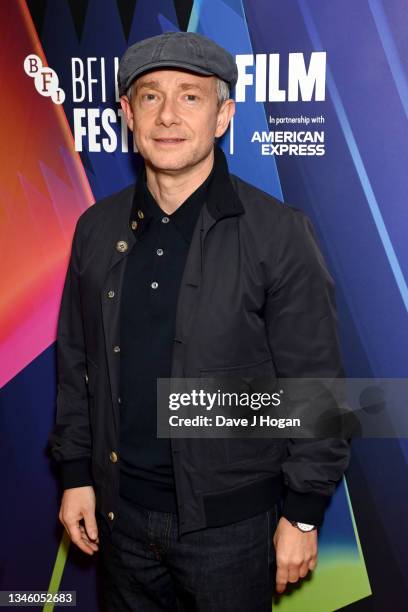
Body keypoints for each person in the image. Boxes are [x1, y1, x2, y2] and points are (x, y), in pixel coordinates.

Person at [49, 31, 350, 611]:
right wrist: (75, 474)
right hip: (121, 519)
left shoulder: (277, 233)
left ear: (223, 116)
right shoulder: (95, 229)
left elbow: (316, 387)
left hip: (232, 532)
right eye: (150, 96)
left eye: (190, 96)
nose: (167, 115)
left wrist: (304, 515)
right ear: (126, 115)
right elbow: (76, 363)